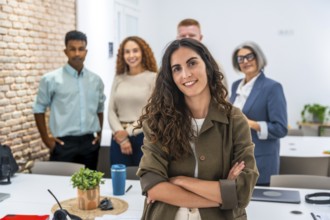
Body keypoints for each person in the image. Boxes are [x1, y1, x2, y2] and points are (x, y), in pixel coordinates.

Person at [136, 38, 259, 220]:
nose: (185, 74)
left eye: (192, 63)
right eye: (177, 68)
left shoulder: (234, 120)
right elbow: (152, 184)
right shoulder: (158, 121)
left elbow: (242, 190)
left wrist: (180, 181)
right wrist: (223, 195)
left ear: (208, 66)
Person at [33, 30, 106, 170]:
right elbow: (38, 109)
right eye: (72, 49)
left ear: (86, 51)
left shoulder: (96, 80)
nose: (77, 53)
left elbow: (100, 109)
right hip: (63, 144)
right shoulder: (51, 79)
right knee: (61, 188)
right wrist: (47, 140)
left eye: (81, 49)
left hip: (89, 143)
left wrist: (99, 136)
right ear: (65, 51)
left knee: (89, 187)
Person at [230, 41, 288, 186]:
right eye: (241, 58)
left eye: (250, 56)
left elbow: (280, 128)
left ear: (258, 58)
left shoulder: (272, 87)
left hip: (261, 159)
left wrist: (249, 123)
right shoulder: (235, 85)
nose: (245, 61)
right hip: (236, 159)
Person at [108, 36, 157, 167]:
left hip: (143, 136)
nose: (131, 55)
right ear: (122, 55)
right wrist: (122, 137)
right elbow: (111, 110)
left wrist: (128, 132)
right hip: (118, 138)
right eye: (127, 52)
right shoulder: (118, 78)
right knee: (119, 181)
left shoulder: (153, 78)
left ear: (143, 53)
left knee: (143, 181)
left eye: (135, 51)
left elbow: (152, 112)